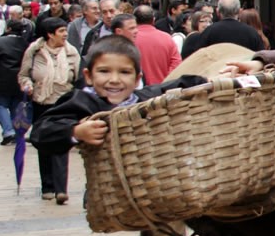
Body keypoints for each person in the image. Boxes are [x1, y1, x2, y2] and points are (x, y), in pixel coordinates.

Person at [31, 35, 203, 158]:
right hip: (108, 195)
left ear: (137, 79)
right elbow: (41, 132)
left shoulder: (146, 99)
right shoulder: (82, 102)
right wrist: (76, 131)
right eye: (104, 71)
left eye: (124, 72)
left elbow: (187, 83)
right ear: (88, 76)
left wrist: (223, 79)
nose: (114, 80)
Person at [18, 16, 82, 204]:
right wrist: (28, 85)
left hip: (63, 104)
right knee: (44, 144)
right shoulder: (34, 51)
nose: (65, 34)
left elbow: (78, 79)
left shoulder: (72, 53)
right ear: (50, 34)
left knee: (62, 143)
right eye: (61, 31)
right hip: (41, 103)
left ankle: (61, 189)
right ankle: (48, 186)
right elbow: (23, 75)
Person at [0, 19, 30, 144]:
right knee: (15, 106)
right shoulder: (26, 44)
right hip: (19, 81)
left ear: (8, 29)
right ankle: (14, 131)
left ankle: (8, 131)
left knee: (0, 105)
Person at [180, 0, 266, 58]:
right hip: (244, 79)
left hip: (215, 79)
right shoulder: (252, 32)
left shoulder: (209, 32)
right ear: (239, 11)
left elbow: (199, 58)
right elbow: (261, 57)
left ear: (217, 12)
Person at [132, 5, 182, 86]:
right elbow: (176, 64)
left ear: (134, 20)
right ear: (153, 20)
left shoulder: (130, 39)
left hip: (137, 90)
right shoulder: (167, 38)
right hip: (162, 89)